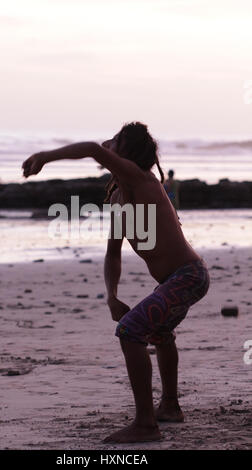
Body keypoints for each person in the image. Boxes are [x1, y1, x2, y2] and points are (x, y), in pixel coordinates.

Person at [22, 121, 210, 443]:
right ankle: (169, 407)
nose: (108, 141)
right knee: (160, 333)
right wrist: (112, 295)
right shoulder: (121, 197)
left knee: (130, 330)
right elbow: (113, 254)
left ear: (128, 152)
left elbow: (93, 149)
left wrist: (44, 156)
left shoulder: (139, 178)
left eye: (117, 138)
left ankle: (146, 425)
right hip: (177, 280)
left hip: (187, 276)